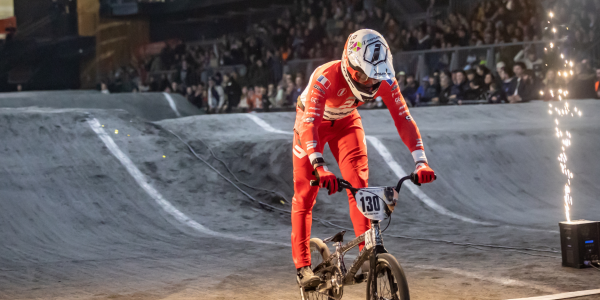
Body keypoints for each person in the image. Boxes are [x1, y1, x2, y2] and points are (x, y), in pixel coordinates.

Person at [292, 29, 436, 287]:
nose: (370, 83)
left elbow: (403, 118)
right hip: (312, 123)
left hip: (347, 122)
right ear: (350, 66)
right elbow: (309, 124)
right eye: (364, 76)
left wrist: (421, 161)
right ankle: (303, 266)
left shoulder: (386, 79)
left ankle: (366, 251)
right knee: (305, 193)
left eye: (375, 77)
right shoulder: (326, 78)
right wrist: (318, 164)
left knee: (358, 184)